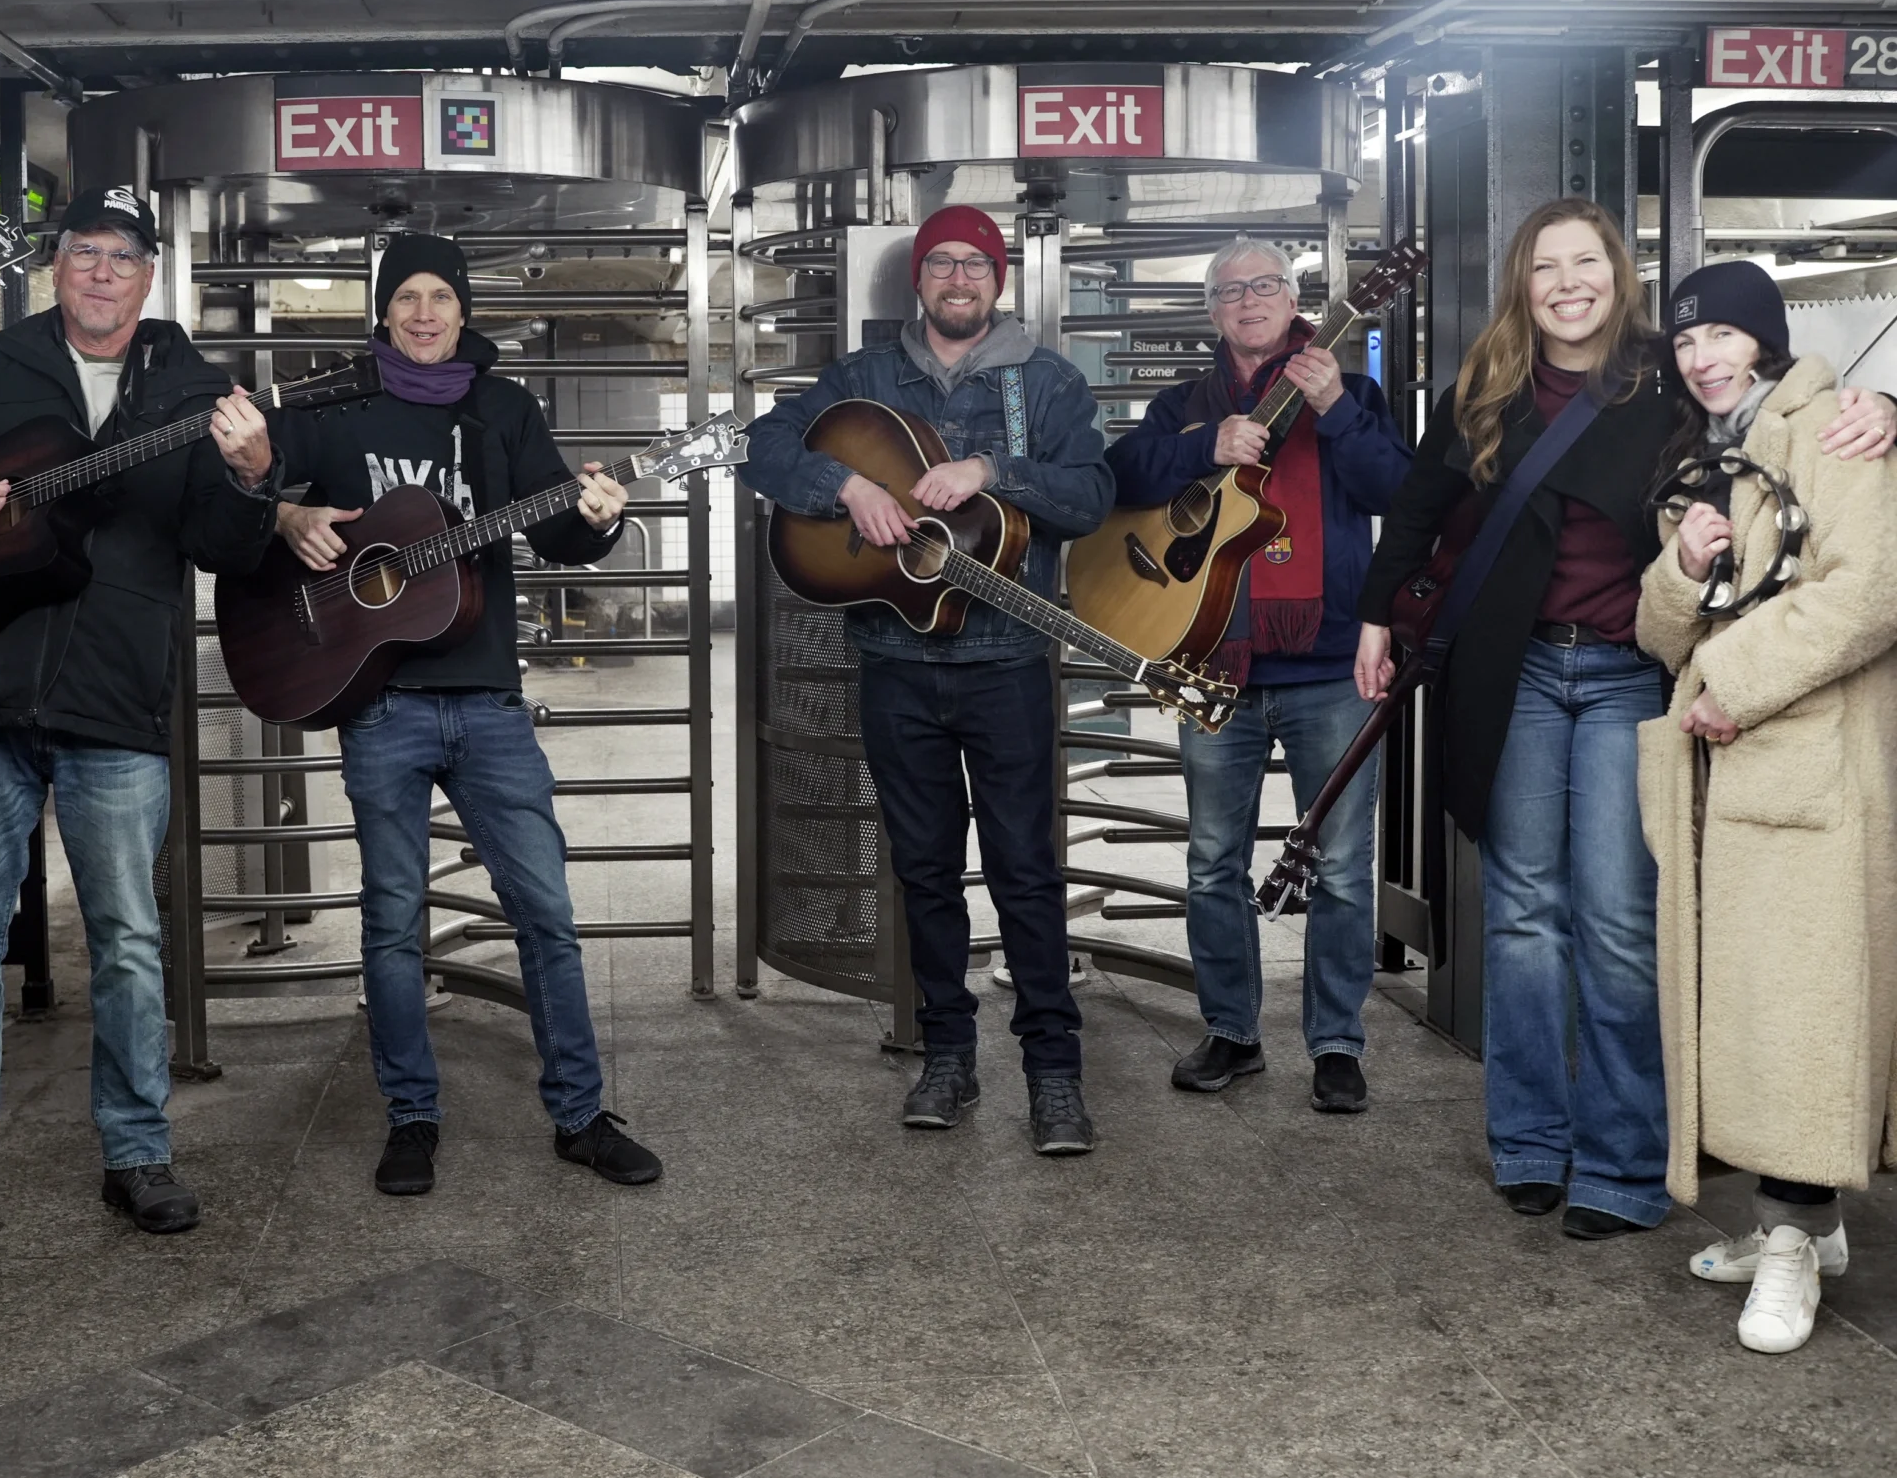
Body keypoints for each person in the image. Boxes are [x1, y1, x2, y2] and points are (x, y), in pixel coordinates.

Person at [1355, 199, 1896, 1243]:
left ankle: (1618, 1161)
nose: (1567, 282)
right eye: (1545, 265)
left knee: (1613, 919)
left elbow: (1784, 421)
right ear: (1522, 281)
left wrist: (1888, 407)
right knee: (1516, 913)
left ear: (1618, 274)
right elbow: (1419, 509)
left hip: (1622, 676)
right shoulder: (1481, 385)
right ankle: (1526, 1141)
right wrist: (1375, 615)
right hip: (1507, 671)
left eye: (1586, 262)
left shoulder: (1670, 377)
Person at [0, 187, 280, 1261]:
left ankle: (136, 1153)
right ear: (56, 266)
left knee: (129, 942)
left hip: (116, 703)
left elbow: (226, 546)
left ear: (148, 274)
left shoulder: (190, 387)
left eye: (122, 257)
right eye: (83, 251)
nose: (100, 272)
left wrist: (254, 472)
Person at [266, 232, 661, 1196]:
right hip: (379, 701)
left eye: (442, 294)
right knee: (392, 921)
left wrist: (599, 516)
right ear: (383, 310)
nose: (426, 311)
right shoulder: (338, 403)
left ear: (465, 309)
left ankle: (579, 1114)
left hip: (488, 702)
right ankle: (410, 1118)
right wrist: (284, 517)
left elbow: (559, 530)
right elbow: (238, 496)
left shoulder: (501, 409)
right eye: (408, 295)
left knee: (547, 915)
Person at [740, 206, 1115, 1154]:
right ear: (920, 278)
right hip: (895, 664)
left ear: (1000, 279)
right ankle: (947, 1055)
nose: (958, 279)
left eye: (975, 265)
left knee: (1027, 873)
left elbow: (1091, 495)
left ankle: (1054, 1073)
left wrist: (994, 468)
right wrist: (845, 488)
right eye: (942, 262)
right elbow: (764, 446)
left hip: (1007, 665)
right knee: (925, 872)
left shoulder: (1048, 381)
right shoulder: (863, 379)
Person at [1632, 260, 1897, 1354]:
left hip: (1811, 769)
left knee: (1801, 1009)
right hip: (1730, 778)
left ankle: (1789, 1243)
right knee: (1751, 1004)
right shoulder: (1706, 456)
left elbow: (1871, 588)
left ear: (1765, 339)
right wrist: (1684, 567)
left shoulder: (1836, 423)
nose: (1701, 357)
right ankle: (1801, 1223)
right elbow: (1659, 635)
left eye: (1723, 336)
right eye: (1686, 341)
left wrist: (1732, 683)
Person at [1107, 238, 1411, 1113]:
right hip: (1216, 665)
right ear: (1212, 311)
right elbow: (1117, 478)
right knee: (1211, 861)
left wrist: (1337, 412)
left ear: (1294, 297)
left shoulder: (1350, 391)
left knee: (1346, 868)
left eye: (1266, 285)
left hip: (1330, 663)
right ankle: (1233, 1031)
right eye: (1231, 290)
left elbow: (1398, 489)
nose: (1249, 300)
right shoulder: (1185, 405)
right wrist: (1204, 447)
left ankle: (1337, 1042)